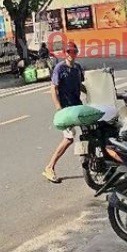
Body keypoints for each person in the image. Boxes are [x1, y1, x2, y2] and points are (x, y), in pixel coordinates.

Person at [43, 42, 84, 184]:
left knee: (90, 131)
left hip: (78, 107)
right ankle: (50, 167)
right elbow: (53, 88)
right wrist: (58, 108)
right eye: (68, 52)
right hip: (66, 109)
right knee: (69, 138)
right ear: (65, 53)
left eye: (73, 51)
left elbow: (82, 86)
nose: (70, 54)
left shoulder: (78, 68)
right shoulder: (60, 69)